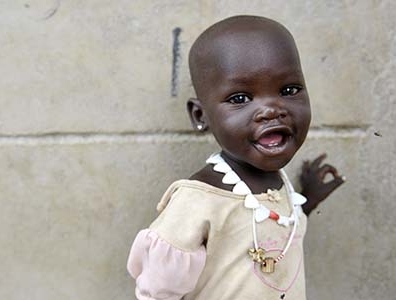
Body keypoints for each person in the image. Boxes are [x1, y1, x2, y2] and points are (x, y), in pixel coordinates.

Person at [127, 15, 345, 300]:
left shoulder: (277, 187)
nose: (271, 110)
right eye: (240, 98)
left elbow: (271, 229)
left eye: (289, 90)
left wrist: (308, 199)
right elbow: (157, 292)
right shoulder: (199, 202)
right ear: (200, 115)